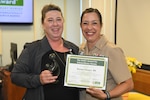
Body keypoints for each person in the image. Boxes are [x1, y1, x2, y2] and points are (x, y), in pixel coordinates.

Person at [11, 4, 79, 100]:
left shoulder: (74, 49)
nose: (55, 24)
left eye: (58, 19)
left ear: (63, 22)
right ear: (43, 24)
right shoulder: (32, 49)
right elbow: (15, 76)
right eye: (50, 20)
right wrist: (38, 79)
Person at [79, 8, 134, 100]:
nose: (89, 27)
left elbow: (128, 84)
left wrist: (106, 95)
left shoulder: (112, 50)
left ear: (101, 25)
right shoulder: (81, 49)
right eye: (85, 23)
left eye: (94, 23)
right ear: (81, 26)